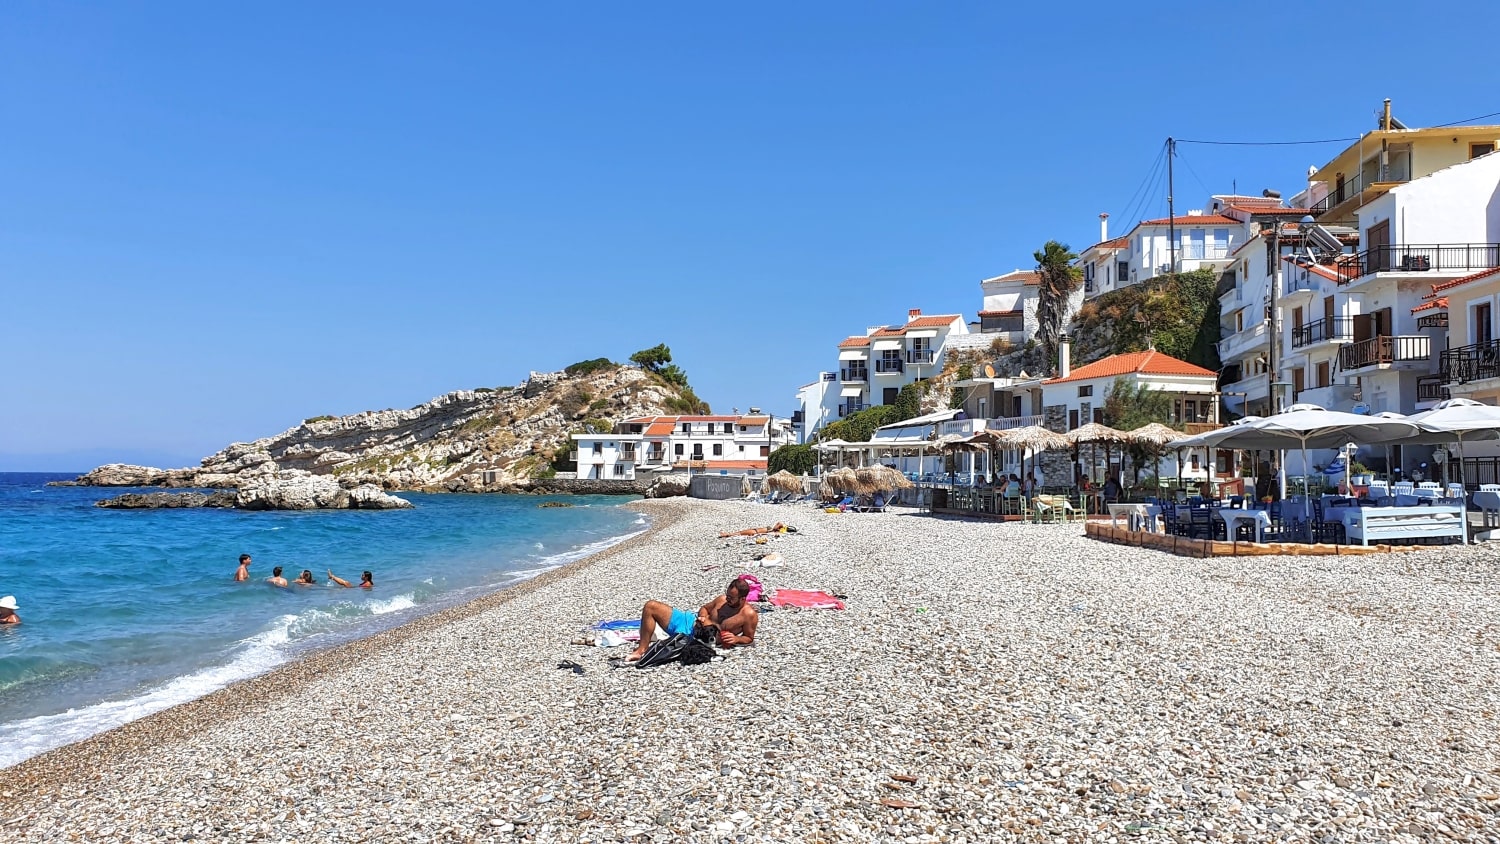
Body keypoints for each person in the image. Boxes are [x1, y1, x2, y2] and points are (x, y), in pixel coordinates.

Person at [626, 577, 759, 662]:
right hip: (689, 621)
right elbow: (704, 608)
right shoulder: (721, 600)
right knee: (651, 606)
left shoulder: (749, 614)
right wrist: (703, 616)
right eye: (727, 595)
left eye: (732, 598)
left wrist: (736, 639)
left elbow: (749, 638)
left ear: (743, 598)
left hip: (700, 639)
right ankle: (641, 650)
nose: (727, 599)